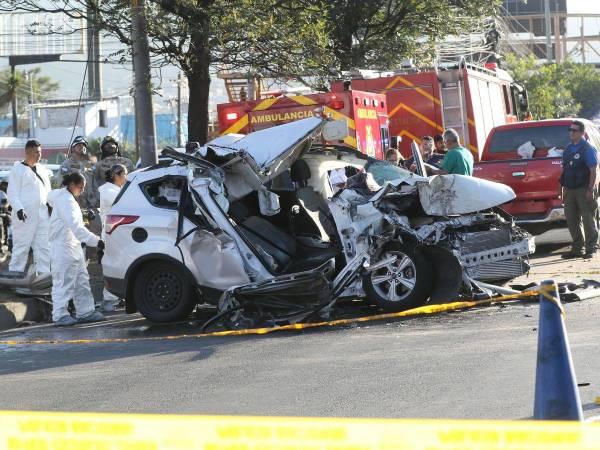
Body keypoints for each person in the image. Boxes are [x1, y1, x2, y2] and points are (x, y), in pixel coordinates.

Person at [47, 173, 106, 326]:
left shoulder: (64, 196)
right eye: (80, 187)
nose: (82, 190)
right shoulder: (66, 200)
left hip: (73, 246)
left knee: (81, 281)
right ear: (71, 184)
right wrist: (97, 241)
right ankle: (59, 315)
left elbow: (68, 217)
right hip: (64, 247)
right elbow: (77, 228)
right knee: (63, 282)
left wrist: (83, 213)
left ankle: (85, 312)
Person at [7, 140, 52, 275]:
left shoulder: (42, 169)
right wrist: (19, 209)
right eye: (36, 152)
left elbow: (48, 191)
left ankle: (43, 275)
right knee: (22, 247)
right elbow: (12, 192)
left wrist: (52, 205)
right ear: (27, 152)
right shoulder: (17, 169)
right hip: (24, 216)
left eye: (40, 152)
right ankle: (15, 273)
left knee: (44, 247)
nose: (39, 154)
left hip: (42, 215)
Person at [559, 120, 599, 259]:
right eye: (570, 130)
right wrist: (562, 188)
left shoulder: (588, 148)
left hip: (584, 189)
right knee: (572, 220)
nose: (571, 132)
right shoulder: (568, 149)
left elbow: (593, 171)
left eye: (574, 130)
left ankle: (590, 248)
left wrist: (590, 189)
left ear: (582, 133)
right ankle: (577, 249)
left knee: (588, 220)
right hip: (570, 189)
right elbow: (565, 170)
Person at [98, 164, 128, 311]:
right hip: (111, 235)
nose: (126, 177)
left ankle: (118, 297)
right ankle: (108, 300)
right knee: (112, 266)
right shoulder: (108, 192)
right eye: (124, 174)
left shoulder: (116, 190)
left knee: (121, 265)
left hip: (118, 234)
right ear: (116, 176)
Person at [59, 136, 98, 209]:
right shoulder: (67, 164)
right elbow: (62, 184)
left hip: (90, 205)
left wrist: (96, 200)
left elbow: (95, 184)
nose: (82, 147)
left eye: (84, 146)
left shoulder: (90, 165)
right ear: (73, 148)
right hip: (73, 204)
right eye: (79, 145)